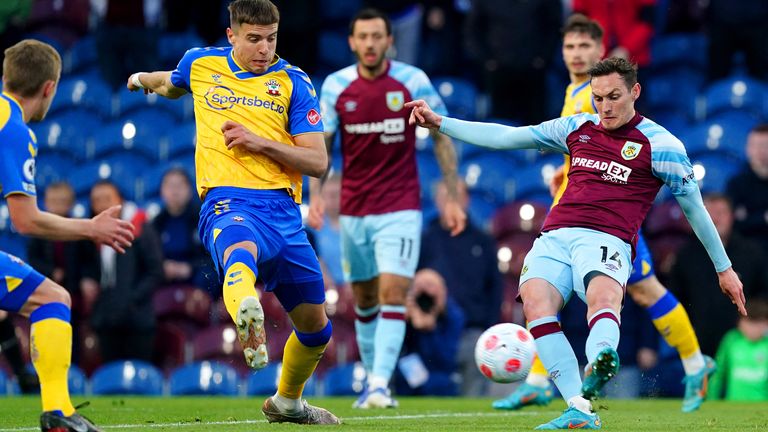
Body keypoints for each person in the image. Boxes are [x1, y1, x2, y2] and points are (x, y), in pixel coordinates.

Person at [406, 57, 746, 430]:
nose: (605, 107)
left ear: (635, 91)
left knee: (602, 300)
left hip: (608, 238)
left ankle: (601, 359)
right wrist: (441, 122)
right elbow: (507, 138)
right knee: (536, 304)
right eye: (598, 98)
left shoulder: (662, 144)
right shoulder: (576, 127)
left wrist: (723, 268)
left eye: (614, 96)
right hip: (555, 235)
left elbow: (695, 210)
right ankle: (579, 408)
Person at [126, 0, 339, 424]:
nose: (264, 48)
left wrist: (260, 142)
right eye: (254, 39)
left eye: (271, 38)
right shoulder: (201, 64)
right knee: (239, 250)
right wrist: (140, 80)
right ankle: (247, 307)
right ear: (232, 35)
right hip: (228, 200)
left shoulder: (295, 82)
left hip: (284, 211)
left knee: (318, 330)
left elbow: (318, 163)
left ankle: (287, 403)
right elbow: (170, 83)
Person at [495, 14, 716, 415]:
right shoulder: (575, 91)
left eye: (584, 47)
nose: (576, 54)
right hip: (576, 215)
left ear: (600, 53)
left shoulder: (594, 99)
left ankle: (695, 364)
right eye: (569, 47)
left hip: (607, 220)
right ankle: (541, 380)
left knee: (640, 291)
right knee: (564, 293)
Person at [308, 8, 465, 409]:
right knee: (364, 300)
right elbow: (323, 148)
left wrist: (451, 195)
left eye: (378, 36)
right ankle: (374, 383)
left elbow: (442, 135)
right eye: (363, 37)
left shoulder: (412, 81)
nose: (371, 44)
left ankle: (379, 384)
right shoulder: (337, 86)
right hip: (354, 211)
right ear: (352, 42)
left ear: (389, 40)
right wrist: (314, 198)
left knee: (393, 292)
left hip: (400, 206)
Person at [0, 39, 134, 431]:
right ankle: (58, 413)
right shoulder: (12, 127)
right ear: (49, 88)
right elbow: (25, 220)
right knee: (53, 298)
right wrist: (91, 227)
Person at [418, 179, 502, 396]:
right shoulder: (426, 239)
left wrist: (487, 328)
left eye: (454, 197)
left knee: (474, 392)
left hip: (472, 332)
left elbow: (495, 289)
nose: (449, 203)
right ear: (436, 201)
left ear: (466, 200)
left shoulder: (482, 241)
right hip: (431, 331)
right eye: (444, 197)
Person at [668, 194, 768, 357]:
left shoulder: (753, 253)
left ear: (732, 216)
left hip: (744, 344)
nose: (715, 219)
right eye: (709, 213)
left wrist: (754, 320)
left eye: (721, 212)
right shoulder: (686, 255)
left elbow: (763, 294)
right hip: (696, 344)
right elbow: (674, 297)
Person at [79, 180, 163, 363]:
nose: (102, 205)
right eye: (96, 200)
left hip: (137, 318)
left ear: (121, 200)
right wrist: (87, 278)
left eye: (107, 198)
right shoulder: (91, 232)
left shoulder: (140, 227)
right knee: (110, 377)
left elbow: (155, 270)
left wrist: (131, 298)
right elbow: (87, 265)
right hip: (107, 317)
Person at [395, 268, 465, 396]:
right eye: (418, 286)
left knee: (439, 383)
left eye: (430, 286)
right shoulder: (407, 312)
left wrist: (431, 330)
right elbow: (397, 352)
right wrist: (402, 321)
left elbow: (447, 359)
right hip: (408, 375)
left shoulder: (453, 315)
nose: (425, 291)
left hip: (440, 375)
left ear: (443, 291)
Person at [151, 167, 211, 293]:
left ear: (190, 190)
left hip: (197, 280)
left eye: (180, 186)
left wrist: (190, 268)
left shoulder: (203, 219)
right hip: (164, 280)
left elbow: (213, 259)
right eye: (170, 186)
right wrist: (162, 267)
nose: (175, 191)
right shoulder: (156, 223)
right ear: (161, 191)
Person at [708, 298, 768, 401]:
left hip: (762, 404)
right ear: (740, 322)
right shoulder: (731, 340)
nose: (753, 329)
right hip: (732, 405)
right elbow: (718, 374)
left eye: (759, 323)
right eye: (749, 322)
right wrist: (710, 399)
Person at [726, 124, 768, 254]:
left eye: (765, 145)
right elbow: (731, 224)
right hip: (748, 254)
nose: (761, 151)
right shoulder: (736, 184)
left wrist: (751, 218)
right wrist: (763, 218)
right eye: (755, 145)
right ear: (747, 149)